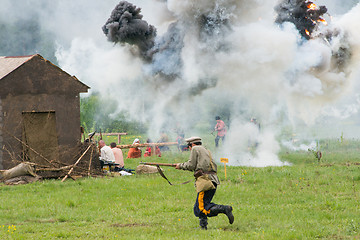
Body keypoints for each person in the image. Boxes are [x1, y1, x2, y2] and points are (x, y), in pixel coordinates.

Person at [175, 136, 234, 230]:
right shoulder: (206, 150)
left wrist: (180, 166)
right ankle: (203, 227)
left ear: (193, 144)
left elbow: (191, 165)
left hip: (205, 181)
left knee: (201, 208)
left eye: (189, 145)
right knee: (201, 205)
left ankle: (224, 209)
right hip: (212, 180)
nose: (189, 148)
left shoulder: (195, 149)